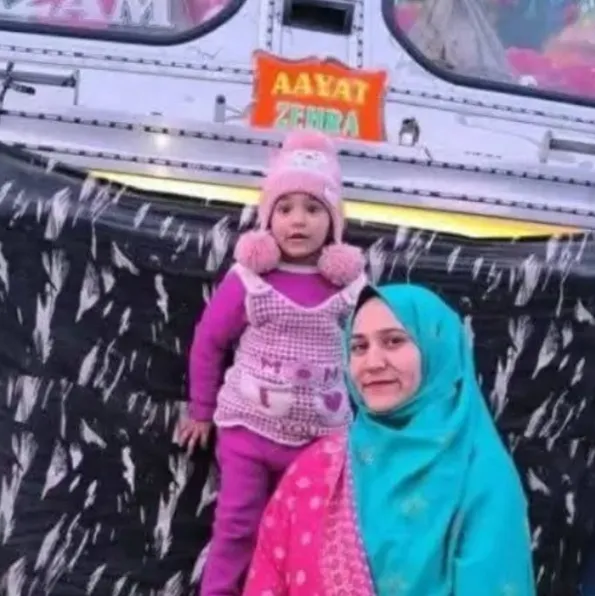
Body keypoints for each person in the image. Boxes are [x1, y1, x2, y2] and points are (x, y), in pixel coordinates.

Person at [242, 284, 536, 596]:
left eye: (393, 341)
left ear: (437, 347)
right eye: (358, 347)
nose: (373, 363)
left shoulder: (480, 475)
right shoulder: (316, 470)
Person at [173, 129, 367, 596]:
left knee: (308, 535)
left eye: (313, 209)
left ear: (334, 222)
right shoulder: (248, 280)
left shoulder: (349, 286)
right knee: (237, 528)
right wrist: (201, 410)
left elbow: (366, 354)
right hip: (248, 432)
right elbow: (208, 342)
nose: (298, 221)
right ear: (267, 219)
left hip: (321, 442)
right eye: (284, 209)